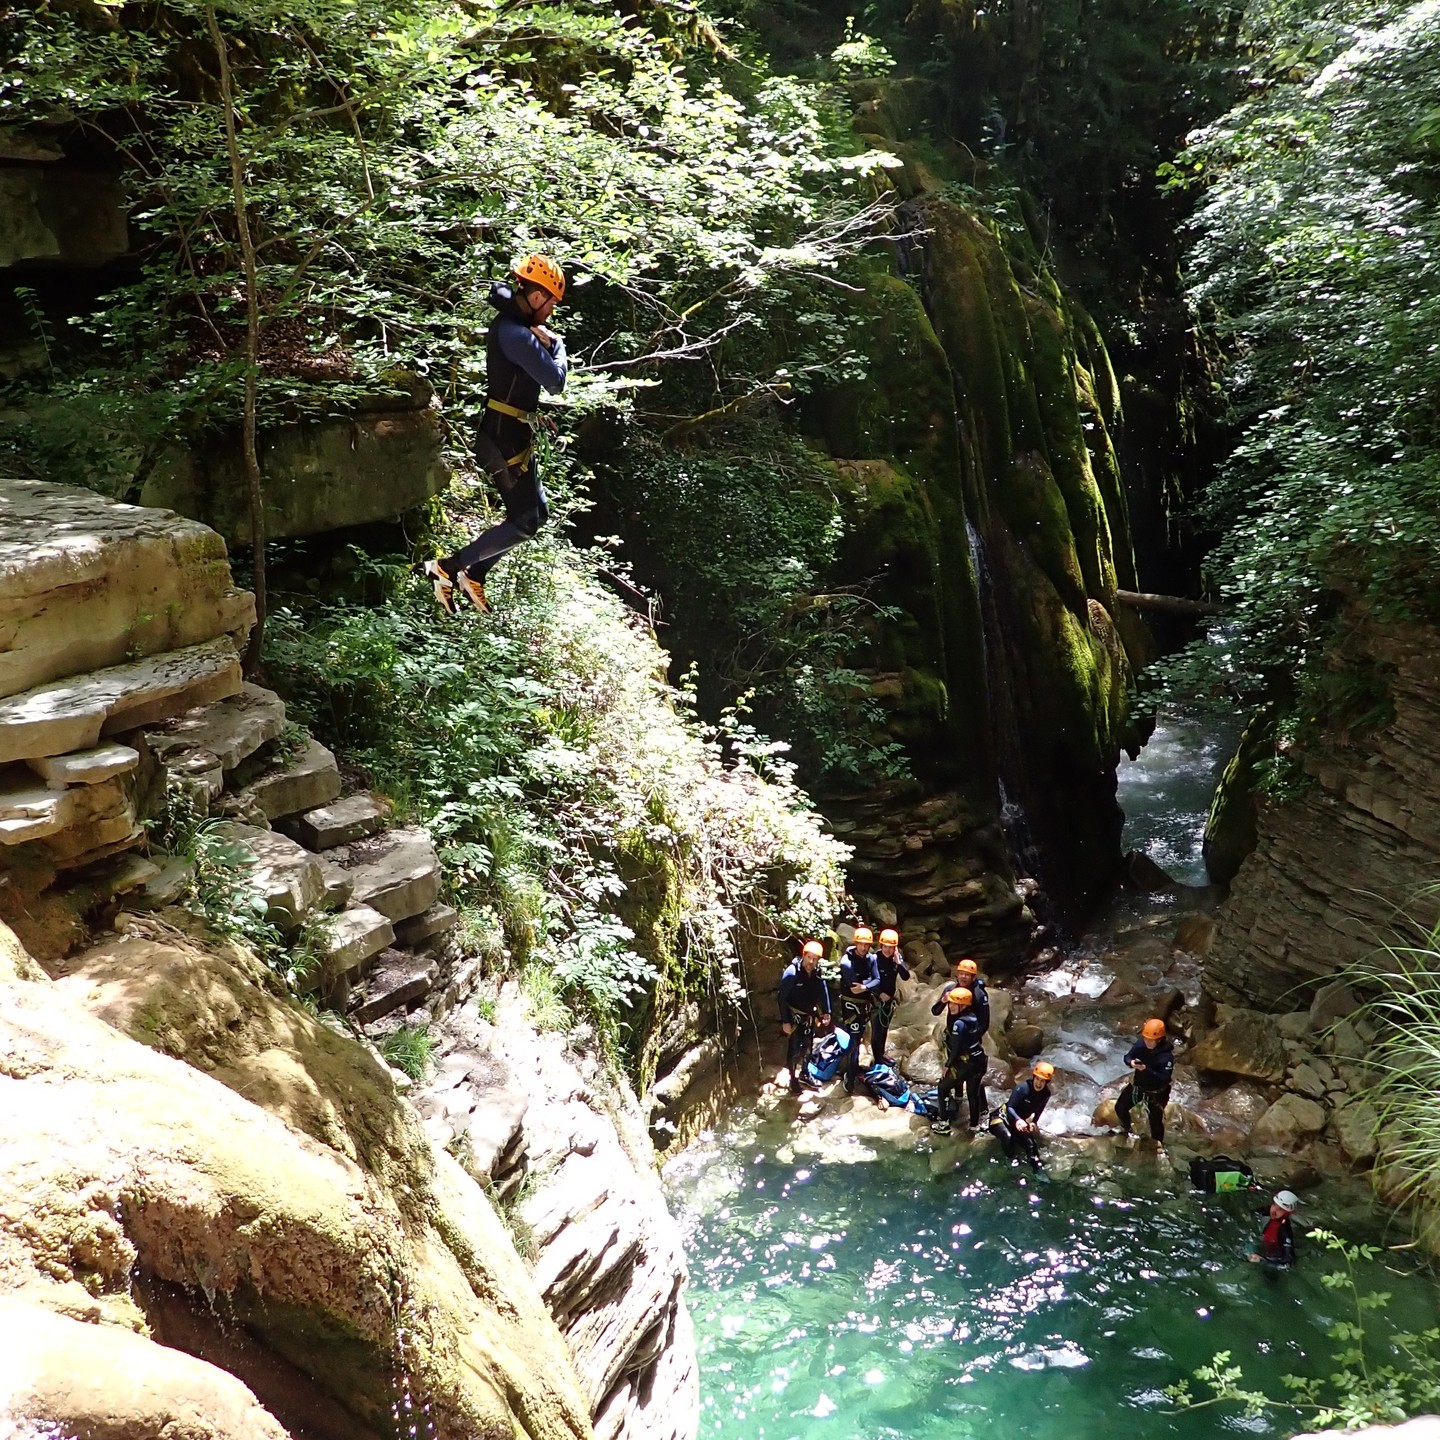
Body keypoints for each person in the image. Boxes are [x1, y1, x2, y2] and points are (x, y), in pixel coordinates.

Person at [421, 254, 568, 616]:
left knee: (539, 513)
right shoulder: (516, 334)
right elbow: (556, 381)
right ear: (536, 297)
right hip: (503, 442)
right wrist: (557, 346)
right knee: (525, 521)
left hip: (511, 436)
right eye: (550, 303)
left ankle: (475, 573)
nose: (551, 311)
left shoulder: (513, 326)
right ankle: (447, 568)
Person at [779, 940, 831, 1095]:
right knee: (794, 1049)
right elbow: (781, 998)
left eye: (815, 959)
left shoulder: (816, 973)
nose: (811, 962)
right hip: (794, 1017)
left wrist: (827, 1011)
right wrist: (785, 1021)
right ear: (803, 956)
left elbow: (823, 990)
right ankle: (792, 1079)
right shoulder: (791, 973)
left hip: (809, 1016)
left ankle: (805, 1073)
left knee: (808, 1047)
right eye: (809, 958)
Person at [933, 986, 986, 1136]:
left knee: (942, 1087)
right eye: (950, 1004)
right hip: (978, 1060)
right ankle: (974, 1126)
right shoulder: (972, 1018)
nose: (951, 1007)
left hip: (966, 1063)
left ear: (964, 1006)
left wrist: (947, 1066)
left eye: (955, 1004)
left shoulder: (959, 1024)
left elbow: (955, 1049)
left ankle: (943, 1124)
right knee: (972, 1093)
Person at [1116, 1017, 1175, 1142]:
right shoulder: (1141, 1044)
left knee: (1155, 1121)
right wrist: (1130, 1062)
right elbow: (1128, 1056)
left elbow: (1164, 1078)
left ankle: (1158, 1144)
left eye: (1151, 1040)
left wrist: (1146, 1069)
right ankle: (1127, 1130)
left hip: (1157, 1092)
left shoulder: (1166, 1057)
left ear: (1159, 1040)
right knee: (1120, 1107)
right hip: (1139, 1086)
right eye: (1146, 1039)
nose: (1147, 1042)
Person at [837, 927, 881, 1094]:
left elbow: (877, 980)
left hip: (865, 1005)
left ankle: (853, 1069)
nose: (864, 948)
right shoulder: (846, 962)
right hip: (851, 1006)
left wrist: (865, 986)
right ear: (855, 943)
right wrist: (868, 985)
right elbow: (854, 986)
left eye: (866, 945)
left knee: (863, 1036)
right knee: (854, 1040)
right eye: (861, 944)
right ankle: (850, 1075)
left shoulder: (871, 959)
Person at [994, 1060, 1054, 1168]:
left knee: (1031, 1145)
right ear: (1034, 1077)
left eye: (1042, 1081)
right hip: (1001, 1118)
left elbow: (1038, 1110)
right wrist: (1018, 1119)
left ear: (1046, 1082)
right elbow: (1010, 1107)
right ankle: (1010, 1163)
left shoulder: (1046, 1094)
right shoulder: (1022, 1089)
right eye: (1037, 1079)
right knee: (1008, 1138)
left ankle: (1036, 1169)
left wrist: (1034, 1122)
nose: (1039, 1083)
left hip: (1018, 1122)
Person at [870, 927, 911, 1065]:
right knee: (876, 1030)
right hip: (876, 1000)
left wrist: (898, 963)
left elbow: (906, 976)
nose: (887, 950)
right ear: (881, 945)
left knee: (884, 1029)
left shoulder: (896, 960)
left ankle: (881, 1054)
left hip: (889, 1001)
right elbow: (869, 979)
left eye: (891, 947)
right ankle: (877, 1059)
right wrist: (879, 993)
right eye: (885, 947)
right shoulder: (875, 959)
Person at [1250, 1190, 1300, 1267]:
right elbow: (1252, 1213)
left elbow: (1288, 1261)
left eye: (1280, 1209)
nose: (1273, 1211)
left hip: (1272, 1256)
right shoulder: (1269, 1211)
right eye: (1274, 1204)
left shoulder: (1285, 1230)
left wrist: (1263, 1260)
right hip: (1261, 1246)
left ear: (1288, 1213)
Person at [956, 957, 991, 1038]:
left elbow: (984, 1023)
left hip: (971, 1034)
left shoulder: (979, 994)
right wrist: (944, 1000)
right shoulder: (952, 989)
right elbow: (935, 1011)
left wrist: (974, 1038)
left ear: (973, 978)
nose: (963, 977)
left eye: (967, 975)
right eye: (961, 974)